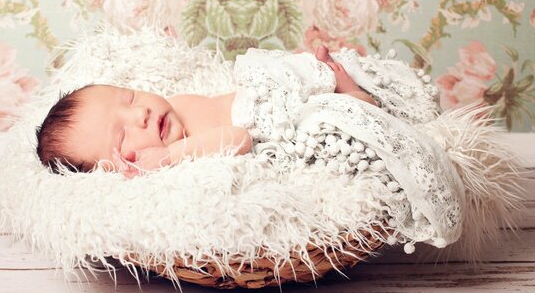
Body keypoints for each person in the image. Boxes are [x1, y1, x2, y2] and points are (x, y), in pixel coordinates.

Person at [36, 46, 377, 178]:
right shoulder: (180, 158)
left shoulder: (176, 105)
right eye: (123, 134)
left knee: (295, 71)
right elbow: (240, 137)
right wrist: (168, 156)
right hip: (285, 126)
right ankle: (357, 97)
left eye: (129, 98)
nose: (140, 113)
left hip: (273, 99)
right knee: (336, 117)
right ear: (123, 165)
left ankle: (323, 75)